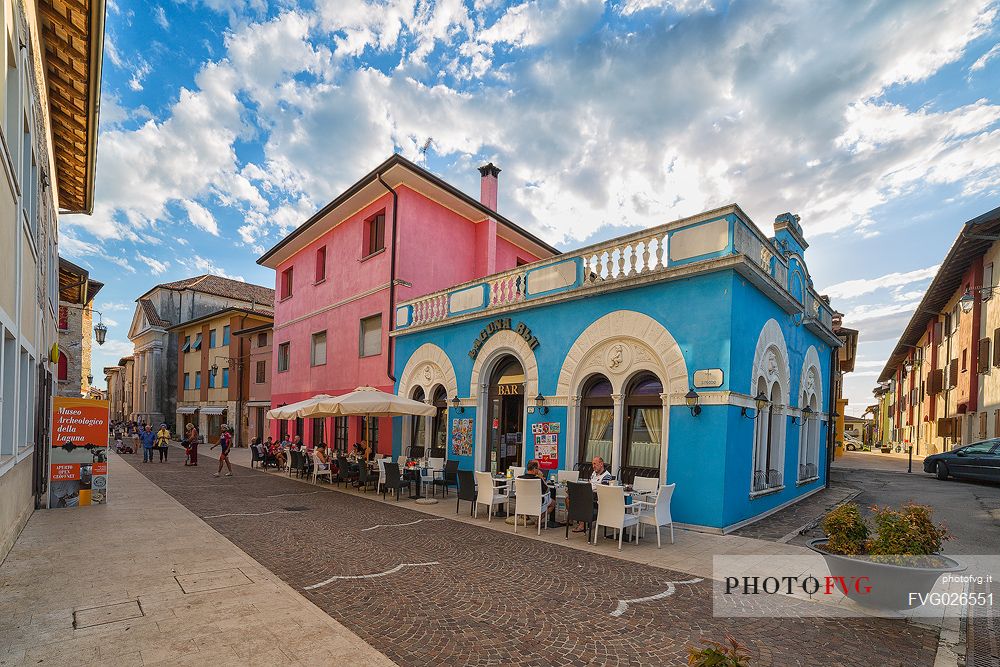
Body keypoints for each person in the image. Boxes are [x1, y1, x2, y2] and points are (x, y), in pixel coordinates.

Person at [574, 456, 612, 533]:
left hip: (597, 499)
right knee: (569, 499)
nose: (593, 466)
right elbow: (590, 483)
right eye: (592, 464)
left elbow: (603, 491)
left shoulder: (607, 476)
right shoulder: (594, 473)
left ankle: (582, 524)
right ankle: (578, 520)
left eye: (595, 464)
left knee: (581, 501)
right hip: (589, 495)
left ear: (601, 464)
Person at [519, 460, 558, 528]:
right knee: (553, 503)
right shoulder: (538, 479)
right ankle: (538, 520)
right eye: (538, 468)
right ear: (534, 469)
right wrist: (541, 477)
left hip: (524, 503)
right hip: (537, 503)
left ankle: (526, 515)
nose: (539, 470)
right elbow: (547, 490)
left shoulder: (519, 478)